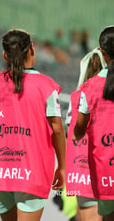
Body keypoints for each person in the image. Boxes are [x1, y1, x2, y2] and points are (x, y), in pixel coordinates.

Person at [0, 29, 66, 221]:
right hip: (32, 171)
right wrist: (63, 167)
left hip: (0, 171)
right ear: (32, 50)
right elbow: (57, 129)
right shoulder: (46, 86)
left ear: (4, 55)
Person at [74, 25, 114, 220]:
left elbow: (79, 129)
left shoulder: (89, 88)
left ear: (103, 53)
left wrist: (77, 132)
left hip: (104, 171)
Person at [66, 47, 105, 221]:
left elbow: (71, 132)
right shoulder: (104, 95)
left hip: (79, 167)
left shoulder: (75, 97)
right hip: (101, 165)